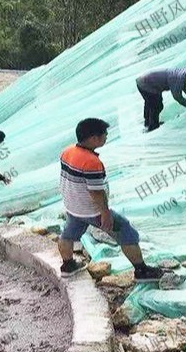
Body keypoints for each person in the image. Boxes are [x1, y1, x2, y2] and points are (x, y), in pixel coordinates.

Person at [57, 118, 163, 282]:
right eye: (104, 134)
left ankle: (68, 265)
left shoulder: (67, 151)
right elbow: (97, 192)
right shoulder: (91, 162)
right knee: (126, 232)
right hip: (91, 210)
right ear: (93, 138)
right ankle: (141, 271)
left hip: (73, 206)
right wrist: (105, 214)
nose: (106, 137)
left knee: (68, 235)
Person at [135, 67, 186, 132]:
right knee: (156, 105)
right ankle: (152, 127)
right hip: (145, 83)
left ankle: (148, 123)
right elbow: (178, 97)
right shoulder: (178, 79)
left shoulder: (185, 75)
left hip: (146, 81)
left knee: (150, 103)